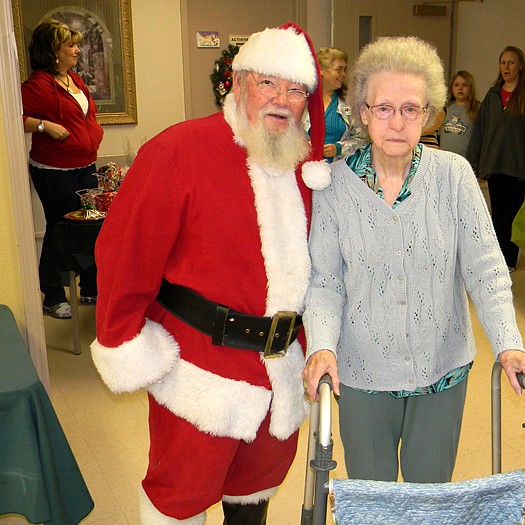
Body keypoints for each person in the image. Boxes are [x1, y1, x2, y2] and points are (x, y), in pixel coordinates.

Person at [90, 23, 330, 525]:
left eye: (295, 90)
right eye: (268, 83)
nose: (281, 99)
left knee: (255, 497)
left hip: (280, 371)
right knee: (179, 501)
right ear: (238, 83)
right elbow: (124, 252)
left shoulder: (307, 168)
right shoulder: (178, 151)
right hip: (197, 369)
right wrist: (123, 340)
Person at [302, 36, 525, 485]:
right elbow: (324, 282)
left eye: (411, 109)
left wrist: (510, 343)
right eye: (384, 108)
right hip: (362, 369)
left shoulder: (454, 177)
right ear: (362, 112)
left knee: (429, 499)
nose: (397, 123)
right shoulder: (333, 187)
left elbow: (487, 270)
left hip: (442, 370)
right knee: (371, 501)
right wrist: (321, 346)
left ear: (430, 112)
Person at [21, 19, 104, 319]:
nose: (77, 50)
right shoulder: (38, 85)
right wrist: (44, 126)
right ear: (54, 51)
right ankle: (52, 294)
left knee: (92, 227)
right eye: (71, 45)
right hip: (54, 169)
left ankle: (90, 288)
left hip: (86, 165)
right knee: (61, 230)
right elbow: (14, 117)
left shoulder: (73, 79)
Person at [467, 46, 525, 271]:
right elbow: (480, 133)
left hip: (520, 168)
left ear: (521, 65)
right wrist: (473, 165)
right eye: (503, 62)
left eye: (511, 62)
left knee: (512, 216)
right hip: (495, 165)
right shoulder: (493, 95)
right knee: (497, 215)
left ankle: (508, 259)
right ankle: (496, 257)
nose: (506, 67)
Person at [317, 47, 365, 162]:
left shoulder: (349, 103)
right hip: (305, 171)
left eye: (344, 69)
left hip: (338, 171)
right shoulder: (302, 101)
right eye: (338, 69)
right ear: (321, 70)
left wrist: (339, 148)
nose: (343, 74)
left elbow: (362, 139)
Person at [439, 70, 480, 158]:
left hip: (466, 160)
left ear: (471, 87)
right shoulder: (445, 108)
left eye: (465, 85)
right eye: (456, 85)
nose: (460, 88)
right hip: (444, 160)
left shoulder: (477, 109)